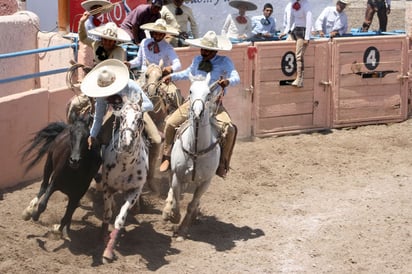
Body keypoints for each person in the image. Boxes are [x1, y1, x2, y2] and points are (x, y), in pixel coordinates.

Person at [158, 31, 240, 178]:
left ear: (215, 50)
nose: (204, 52)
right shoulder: (197, 60)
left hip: (213, 106)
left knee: (230, 130)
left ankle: (222, 163)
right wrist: (171, 76)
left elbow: (236, 77)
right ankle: (167, 156)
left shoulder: (224, 61)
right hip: (192, 103)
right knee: (170, 123)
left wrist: (228, 81)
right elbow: (187, 73)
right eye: (203, 49)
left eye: (207, 50)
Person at [80, 59, 154, 150]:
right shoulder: (101, 95)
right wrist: (92, 135)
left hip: (137, 115)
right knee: (102, 139)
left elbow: (149, 105)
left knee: (156, 139)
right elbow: (98, 117)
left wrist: (131, 108)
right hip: (116, 116)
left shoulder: (130, 85)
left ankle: (154, 162)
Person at [280, 0, 313, 88]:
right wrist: (286, 31)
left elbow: (309, 21)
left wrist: (307, 37)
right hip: (295, 30)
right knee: (286, 46)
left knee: (298, 55)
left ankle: (299, 78)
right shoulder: (292, 4)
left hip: (302, 31)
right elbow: (291, 19)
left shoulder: (306, 4)